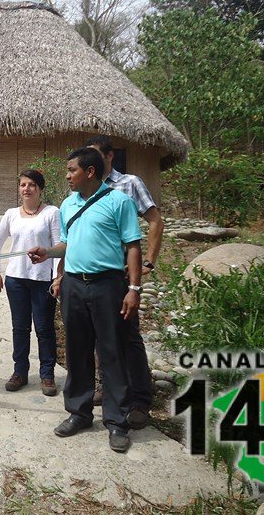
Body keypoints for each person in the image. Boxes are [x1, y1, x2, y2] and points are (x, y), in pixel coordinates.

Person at [29, 147, 143, 453]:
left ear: (89, 172)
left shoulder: (119, 202)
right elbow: (66, 243)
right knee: (77, 351)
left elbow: (133, 246)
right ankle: (79, 413)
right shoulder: (67, 205)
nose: (67, 176)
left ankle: (117, 421)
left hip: (108, 285)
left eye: (71, 170)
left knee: (112, 352)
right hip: (74, 286)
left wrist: (134, 288)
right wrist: (48, 253)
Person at [84, 134, 164, 430]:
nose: (89, 162)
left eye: (94, 155)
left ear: (109, 157)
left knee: (129, 336)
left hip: (122, 274)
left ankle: (141, 400)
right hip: (94, 276)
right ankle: (106, 386)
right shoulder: (85, 190)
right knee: (98, 334)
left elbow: (155, 220)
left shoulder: (129, 184)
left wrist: (148, 262)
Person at [0, 170, 60, 396]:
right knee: (20, 328)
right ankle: (20, 371)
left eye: (31, 185)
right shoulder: (11, 214)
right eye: (22, 185)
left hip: (42, 281)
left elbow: (58, 247)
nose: (26, 189)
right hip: (16, 280)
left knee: (44, 328)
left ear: (40, 188)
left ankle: (47, 374)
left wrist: (58, 277)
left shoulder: (51, 213)